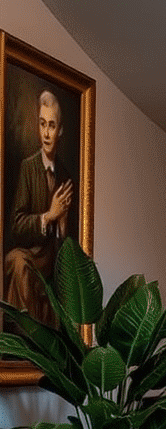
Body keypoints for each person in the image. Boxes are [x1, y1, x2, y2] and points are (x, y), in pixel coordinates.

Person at [4, 90, 77, 326]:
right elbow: (17, 225)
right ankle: (29, 340)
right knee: (17, 263)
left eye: (52, 126)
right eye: (42, 124)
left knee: (66, 279)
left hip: (51, 258)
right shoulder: (28, 168)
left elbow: (69, 244)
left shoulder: (66, 177)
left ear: (60, 131)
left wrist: (63, 224)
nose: (46, 133)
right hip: (29, 255)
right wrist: (49, 215)